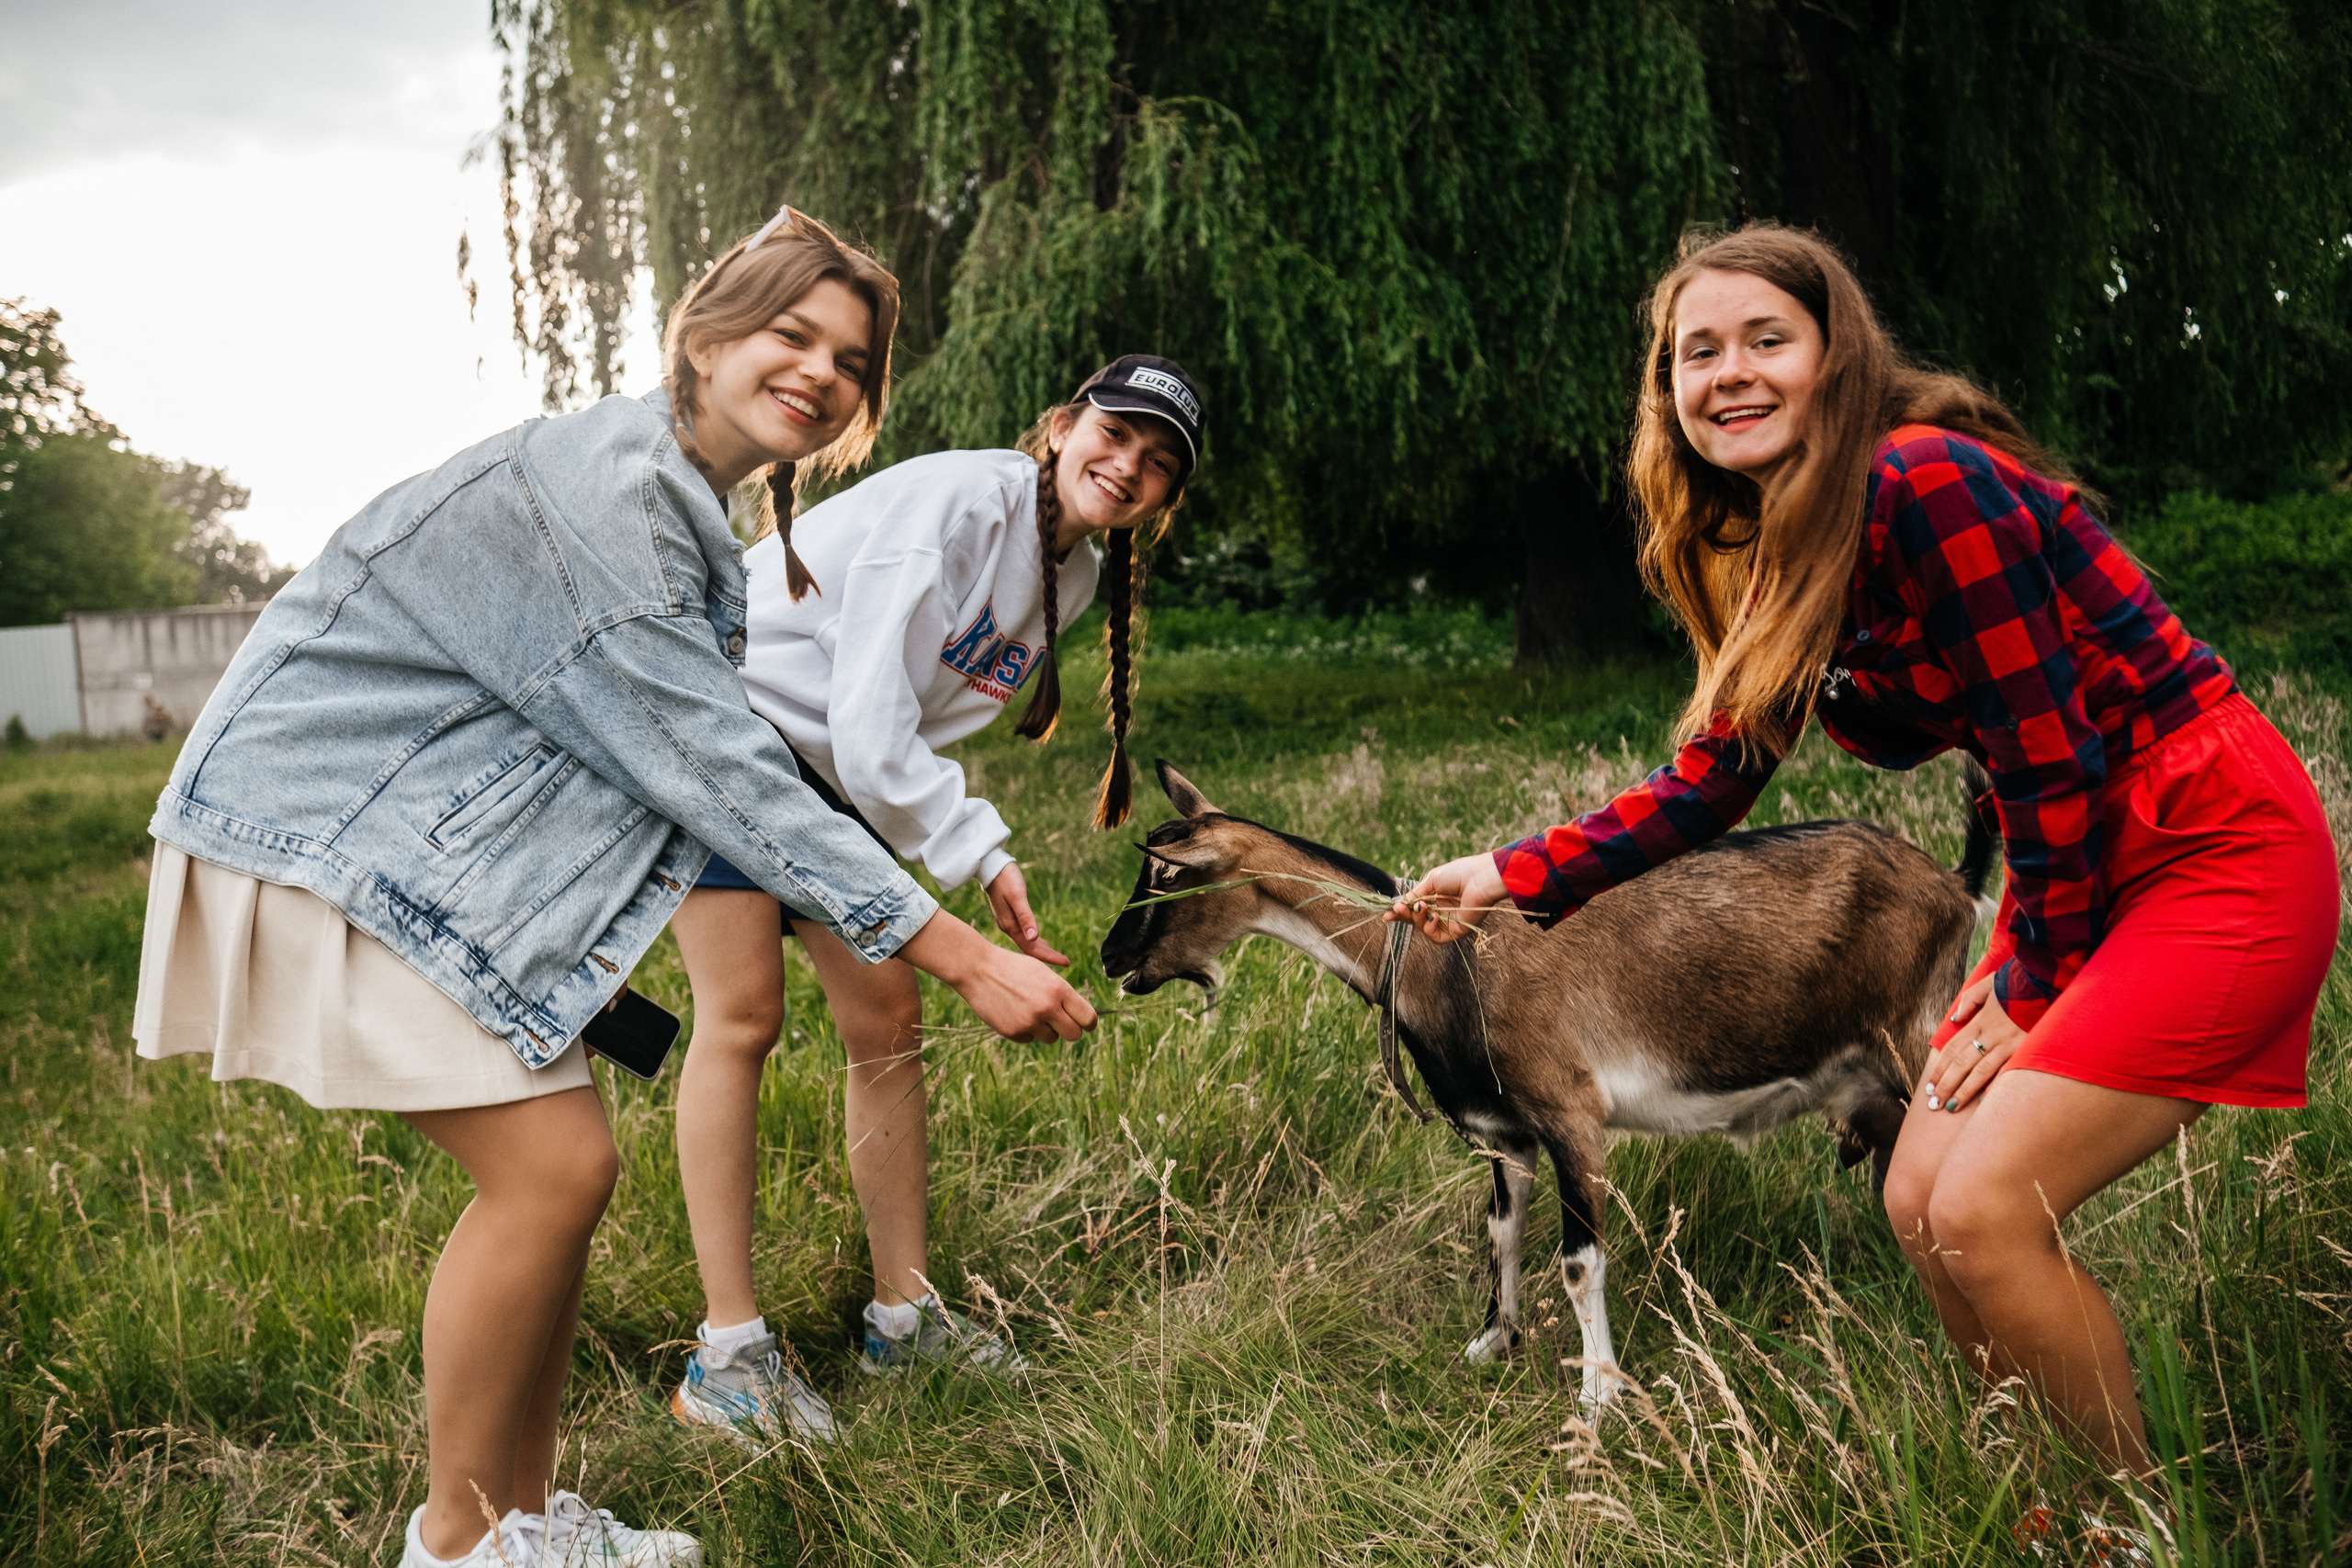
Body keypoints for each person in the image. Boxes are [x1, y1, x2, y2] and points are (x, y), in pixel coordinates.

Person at [131, 205, 1096, 1568]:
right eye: (789, 332)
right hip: (322, 829)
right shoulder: (623, 492)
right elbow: (716, 764)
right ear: (703, 334)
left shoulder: (677, 494)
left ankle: (519, 1520)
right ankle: (461, 1540)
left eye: (851, 359)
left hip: (407, 836)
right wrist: (957, 948)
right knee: (554, 1165)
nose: (822, 371)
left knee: (565, 1169)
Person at [1392, 225, 2336, 1502]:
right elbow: (1710, 780)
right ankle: (2056, 1490)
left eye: (1765, 340)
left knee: (1988, 1204)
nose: (1729, 372)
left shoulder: (1924, 479)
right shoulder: (1793, 547)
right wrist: (1507, 870)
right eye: (1696, 351)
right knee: (1920, 1195)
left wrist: (2028, 982)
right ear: (1665, 389)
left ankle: (2140, 1523)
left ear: (1836, 356)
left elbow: (2046, 756)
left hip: (2206, 839)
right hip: (2086, 855)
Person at [666, 355, 1203, 1441]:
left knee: (888, 1023)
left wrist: (980, 858)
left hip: (833, 772)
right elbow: (871, 727)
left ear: (1164, 498)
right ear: (1061, 425)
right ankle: (726, 1359)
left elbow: (906, 731)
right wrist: (975, 850)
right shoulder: (961, 502)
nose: (1126, 465)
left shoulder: (1078, 575)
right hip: (730, 729)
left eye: (1156, 464)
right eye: (1115, 433)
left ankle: (901, 1321)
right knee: (744, 1016)